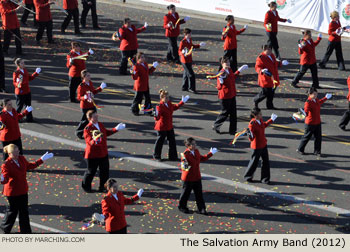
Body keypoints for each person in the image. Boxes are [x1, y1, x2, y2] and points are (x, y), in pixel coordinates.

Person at [0, 144, 53, 234]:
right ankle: (5, 227)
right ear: (9, 153)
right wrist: (2, 178)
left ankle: (26, 232)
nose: (18, 153)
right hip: (12, 192)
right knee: (12, 212)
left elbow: (29, 166)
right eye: (15, 152)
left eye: (18, 151)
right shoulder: (6, 165)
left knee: (24, 211)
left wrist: (41, 160)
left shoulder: (21, 159)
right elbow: (5, 179)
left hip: (23, 190)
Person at [82, 110, 126, 192]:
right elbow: (89, 141)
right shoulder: (88, 128)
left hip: (103, 153)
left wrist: (116, 129)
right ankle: (86, 187)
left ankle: (103, 187)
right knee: (91, 172)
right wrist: (94, 140)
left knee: (105, 172)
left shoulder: (100, 124)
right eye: (94, 116)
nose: (97, 117)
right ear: (90, 118)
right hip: (93, 155)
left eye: (96, 115)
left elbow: (106, 133)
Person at [178, 137, 217, 215]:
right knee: (185, 194)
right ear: (187, 145)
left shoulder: (196, 151)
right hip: (188, 178)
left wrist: (211, 153)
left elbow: (201, 158)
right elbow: (184, 168)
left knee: (199, 194)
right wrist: (185, 164)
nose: (195, 145)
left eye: (195, 143)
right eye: (192, 144)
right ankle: (182, 207)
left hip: (197, 177)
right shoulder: (185, 155)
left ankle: (202, 209)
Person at [213, 57, 248, 135]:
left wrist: (239, 70)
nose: (228, 64)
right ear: (222, 64)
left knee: (233, 113)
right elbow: (218, 87)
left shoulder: (229, 70)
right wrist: (221, 82)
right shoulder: (221, 73)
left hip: (232, 94)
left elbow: (233, 77)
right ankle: (216, 125)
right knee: (225, 113)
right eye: (226, 63)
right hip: (225, 96)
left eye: (228, 62)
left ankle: (232, 130)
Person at [153, 89, 189, 161]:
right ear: (162, 98)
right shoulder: (159, 106)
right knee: (160, 143)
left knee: (172, 142)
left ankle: (172, 156)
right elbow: (157, 118)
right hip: (162, 127)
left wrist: (182, 102)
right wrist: (155, 114)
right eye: (166, 98)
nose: (167, 99)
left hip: (169, 126)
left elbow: (174, 107)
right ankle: (157, 156)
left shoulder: (169, 103)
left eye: (168, 97)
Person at [244, 107, 277, 184]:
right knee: (254, 162)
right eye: (260, 114)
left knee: (266, 162)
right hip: (256, 146)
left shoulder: (260, 120)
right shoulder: (252, 124)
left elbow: (263, 125)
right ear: (255, 116)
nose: (261, 115)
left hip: (263, 144)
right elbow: (251, 137)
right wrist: (250, 135)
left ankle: (265, 179)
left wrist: (271, 120)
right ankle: (248, 176)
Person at [297, 88, 332, 156]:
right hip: (310, 123)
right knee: (307, 137)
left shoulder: (316, 100)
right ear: (310, 95)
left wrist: (326, 98)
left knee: (318, 137)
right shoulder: (308, 102)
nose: (316, 95)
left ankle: (317, 151)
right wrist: (303, 113)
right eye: (314, 94)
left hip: (317, 122)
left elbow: (319, 102)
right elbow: (306, 112)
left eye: (316, 94)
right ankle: (300, 149)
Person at [254, 44, 288, 109]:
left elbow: (275, 63)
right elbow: (257, 67)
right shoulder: (261, 58)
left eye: (270, 49)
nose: (270, 51)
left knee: (271, 93)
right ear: (264, 50)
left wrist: (281, 63)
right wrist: (261, 70)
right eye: (268, 49)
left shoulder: (271, 55)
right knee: (265, 93)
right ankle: (256, 100)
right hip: (266, 79)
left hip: (273, 78)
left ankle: (270, 106)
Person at [76, 70, 106, 139]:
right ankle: (79, 132)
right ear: (84, 77)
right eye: (88, 75)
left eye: (89, 75)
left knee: (94, 119)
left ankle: (95, 133)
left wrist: (100, 88)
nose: (90, 77)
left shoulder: (90, 83)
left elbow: (93, 92)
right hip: (85, 106)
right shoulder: (81, 86)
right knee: (85, 121)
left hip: (91, 105)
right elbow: (78, 97)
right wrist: (84, 97)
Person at [13, 58, 41, 122]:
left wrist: (36, 73)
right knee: (19, 106)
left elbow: (29, 78)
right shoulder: (16, 72)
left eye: (23, 62)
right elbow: (14, 83)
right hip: (20, 92)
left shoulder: (25, 70)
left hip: (27, 91)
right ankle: (16, 118)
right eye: (22, 63)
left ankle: (29, 118)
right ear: (18, 64)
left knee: (28, 105)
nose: (23, 64)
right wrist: (18, 83)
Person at [178, 28, 205, 93]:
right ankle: (191, 88)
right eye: (189, 34)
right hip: (184, 60)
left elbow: (192, 46)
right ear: (186, 34)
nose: (190, 35)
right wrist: (182, 52)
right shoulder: (183, 42)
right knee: (191, 74)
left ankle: (184, 87)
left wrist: (199, 45)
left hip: (189, 59)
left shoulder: (189, 39)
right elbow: (179, 51)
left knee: (186, 73)